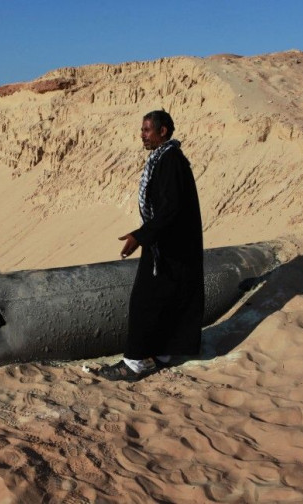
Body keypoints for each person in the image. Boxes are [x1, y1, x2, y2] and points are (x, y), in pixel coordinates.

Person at [99, 110, 204, 381]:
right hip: (167, 243)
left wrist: (140, 236)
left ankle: (134, 362)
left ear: (163, 132)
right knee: (169, 298)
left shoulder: (170, 160)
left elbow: (170, 209)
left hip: (168, 245)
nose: (142, 135)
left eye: (147, 130)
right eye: (142, 129)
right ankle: (165, 352)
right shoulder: (164, 158)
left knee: (143, 301)